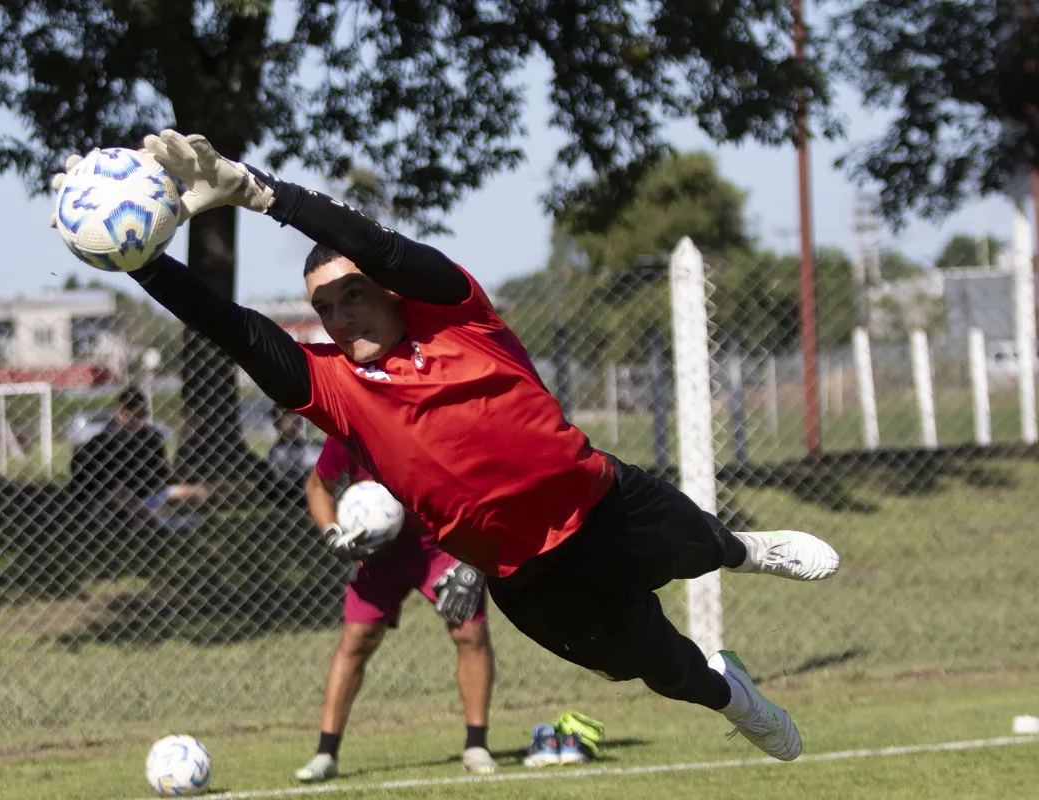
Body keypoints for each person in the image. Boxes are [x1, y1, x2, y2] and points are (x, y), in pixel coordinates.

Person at [52, 131, 840, 762]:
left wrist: (259, 193)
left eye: (354, 292)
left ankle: (747, 550)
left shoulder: (460, 314)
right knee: (662, 668)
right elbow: (234, 329)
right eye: (324, 306)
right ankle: (737, 699)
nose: (340, 314)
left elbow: (376, 242)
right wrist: (143, 264)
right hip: (523, 574)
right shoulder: (331, 387)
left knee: (702, 545)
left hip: (598, 506)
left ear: (390, 293)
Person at [294, 435, 497, 782]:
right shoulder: (350, 427)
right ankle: (325, 754)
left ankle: (476, 745)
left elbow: (483, 488)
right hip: (378, 553)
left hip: (439, 546)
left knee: (470, 632)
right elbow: (318, 487)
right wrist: (332, 534)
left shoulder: (432, 422)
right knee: (355, 640)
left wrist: (474, 560)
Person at [71, 385, 210, 529]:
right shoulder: (104, 441)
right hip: (117, 499)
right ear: (120, 413)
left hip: (148, 494)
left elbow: (161, 476)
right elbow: (97, 486)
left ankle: (157, 516)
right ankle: (160, 521)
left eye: (141, 414)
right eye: (132, 414)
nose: (138, 420)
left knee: (199, 491)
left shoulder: (153, 437)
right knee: (119, 496)